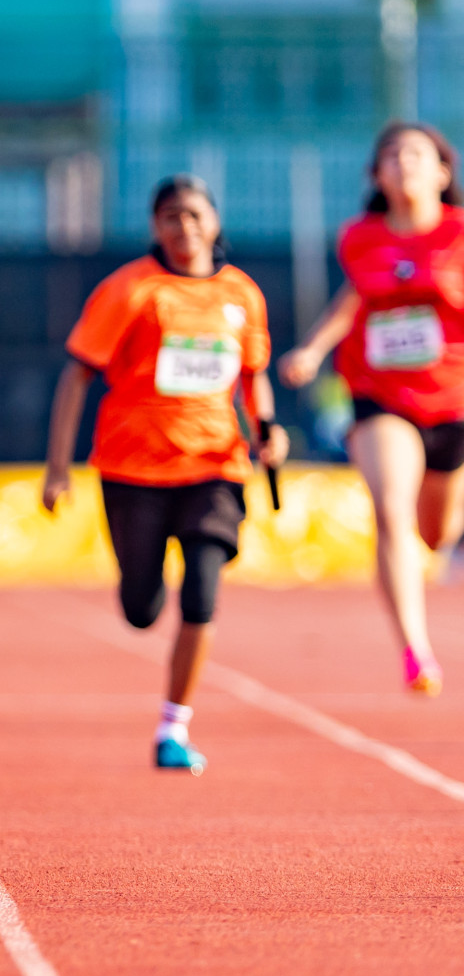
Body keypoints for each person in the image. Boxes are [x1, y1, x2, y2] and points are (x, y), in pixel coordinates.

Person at [42, 175, 289, 774]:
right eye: (171, 217)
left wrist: (269, 430)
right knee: (141, 608)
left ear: (215, 221)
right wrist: (57, 469)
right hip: (134, 467)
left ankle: (173, 728)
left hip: (215, 464)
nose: (185, 227)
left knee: (203, 592)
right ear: (156, 226)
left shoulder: (242, 295)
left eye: (195, 215)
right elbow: (77, 376)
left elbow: (253, 374)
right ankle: (141, 591)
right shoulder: (129, 290)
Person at [280, 123, 464, 697]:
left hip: (453, 400)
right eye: (391, 156)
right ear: (376, 175)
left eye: (416, 155)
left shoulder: (459, 235)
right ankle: (415, 648)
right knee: (390, 510)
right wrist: (313, 349)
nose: (404, 164)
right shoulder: (360, 238)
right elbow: (353, 296)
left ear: (442, 172)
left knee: (436, 533)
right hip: (381, 394)